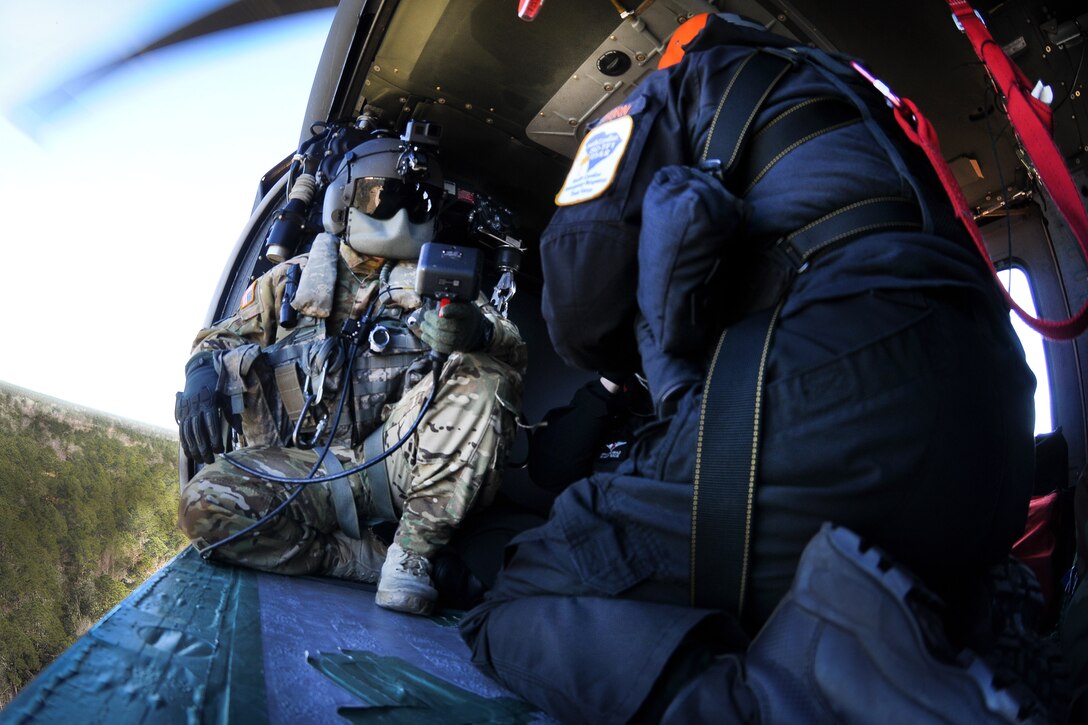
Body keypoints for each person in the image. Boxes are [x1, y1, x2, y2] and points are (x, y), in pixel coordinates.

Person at [459, 13, 1039, 720]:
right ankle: (944, 644)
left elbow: (579, 301)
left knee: (516, 598)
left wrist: (643, 352)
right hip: (1000, 439)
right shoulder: (861, 114)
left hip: (836, 399)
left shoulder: (676, 87)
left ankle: (792, 701)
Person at [175, 125, 526, 617]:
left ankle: (414, 556)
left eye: (416, 202)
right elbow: (217, 341)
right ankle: (366, 561)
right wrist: (201, 376)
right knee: (206, 508)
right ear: (344, 202)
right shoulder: (290, 280)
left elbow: (510, 348)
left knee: (485, 375)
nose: (400, 213)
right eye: (381, 196)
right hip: (303, 468)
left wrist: (474, 332)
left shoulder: (442, 286)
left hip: (395, 463)